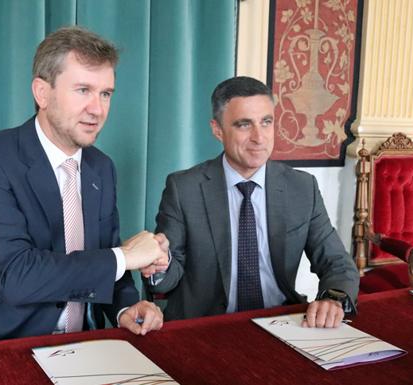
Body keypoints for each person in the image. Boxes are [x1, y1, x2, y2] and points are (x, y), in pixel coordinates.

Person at [0, 26, 167, 346]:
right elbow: (17, 275)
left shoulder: (102, 168)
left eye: (105, 93)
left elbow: (104, 255)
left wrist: (125, 306)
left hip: (75, 348)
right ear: (42, 93)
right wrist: (126, 256)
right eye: (83, 90)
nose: (97, 109)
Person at [145, 76, 359, 328]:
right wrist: (159, 264)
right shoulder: (184, 189)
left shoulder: (302, 187)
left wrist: (332, 299)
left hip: (282, 321)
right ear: (217, 130)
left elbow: (337, 262)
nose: (259, 137)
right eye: (244, 125)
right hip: (206, 326)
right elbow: (170, 276)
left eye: (266, 122)